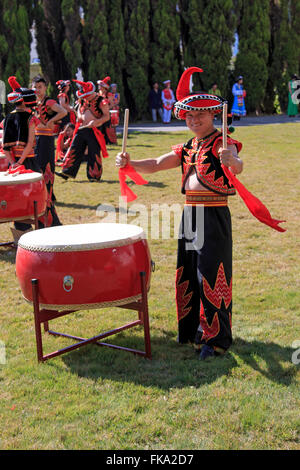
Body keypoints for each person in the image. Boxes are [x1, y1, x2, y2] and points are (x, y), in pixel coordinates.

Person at [116, 66, 244, 360]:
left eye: (200, 115)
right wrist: (130, 162)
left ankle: (216, 340)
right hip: (190, 216)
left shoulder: (223, 142)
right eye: (189, 115)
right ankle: (192, 330)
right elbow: (159, 163)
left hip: (213, 216)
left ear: (214, 115)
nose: (194, 119)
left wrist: (232, 161)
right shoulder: (189, 146)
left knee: (212, 275)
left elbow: (237, 164)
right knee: (189, 271)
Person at [2, 76, 41, 241]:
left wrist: (13, 163)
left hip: (13, 165)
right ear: (26, 102)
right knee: (37, 197)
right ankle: (42, 233)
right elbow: (30, 143)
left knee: (18, 200)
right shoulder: (31, 119)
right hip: (29, 161)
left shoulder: (7, 119)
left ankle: (22, 238)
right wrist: (21, 162)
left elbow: (6, 147)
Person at [57, 78, 110, 182]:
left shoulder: (101, 100)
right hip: (81, 128)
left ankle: (94, 176)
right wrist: (80, 117)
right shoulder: (83, 99)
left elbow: (107, 116)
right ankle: (67, 171)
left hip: (94, 129)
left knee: (93, 152)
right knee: (74, 148)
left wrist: (96, 122)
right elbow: (79, 110)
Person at [32, 75, 66, 227]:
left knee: (46, 173)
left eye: (40, 87)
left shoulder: (49, 101)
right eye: (35, 87)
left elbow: (63, 112)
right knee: (39, 172)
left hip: (46, 140)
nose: (37, 90)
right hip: (38, 140)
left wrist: (51, 121)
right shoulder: (35, 102)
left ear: (45, 88)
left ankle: (48, 207)